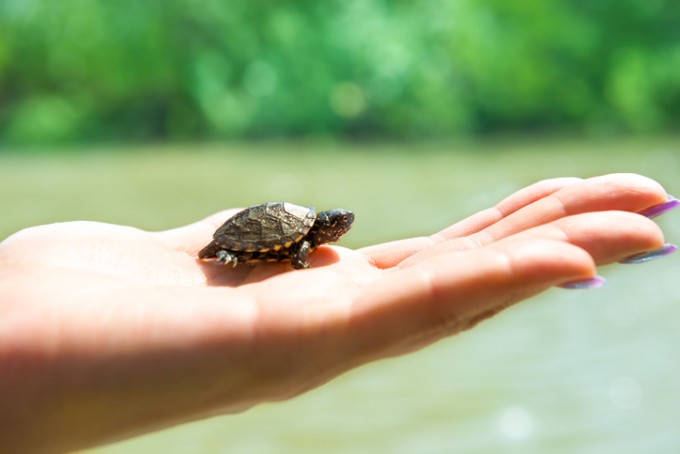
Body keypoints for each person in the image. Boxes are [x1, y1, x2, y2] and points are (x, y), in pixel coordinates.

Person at [0, 173, 677, 453]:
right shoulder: (298, 239)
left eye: (338, 225)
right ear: (322, 230)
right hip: (242, 240)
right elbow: (281, 247)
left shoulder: (311, 234)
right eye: (337, 225)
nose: (343, 229)